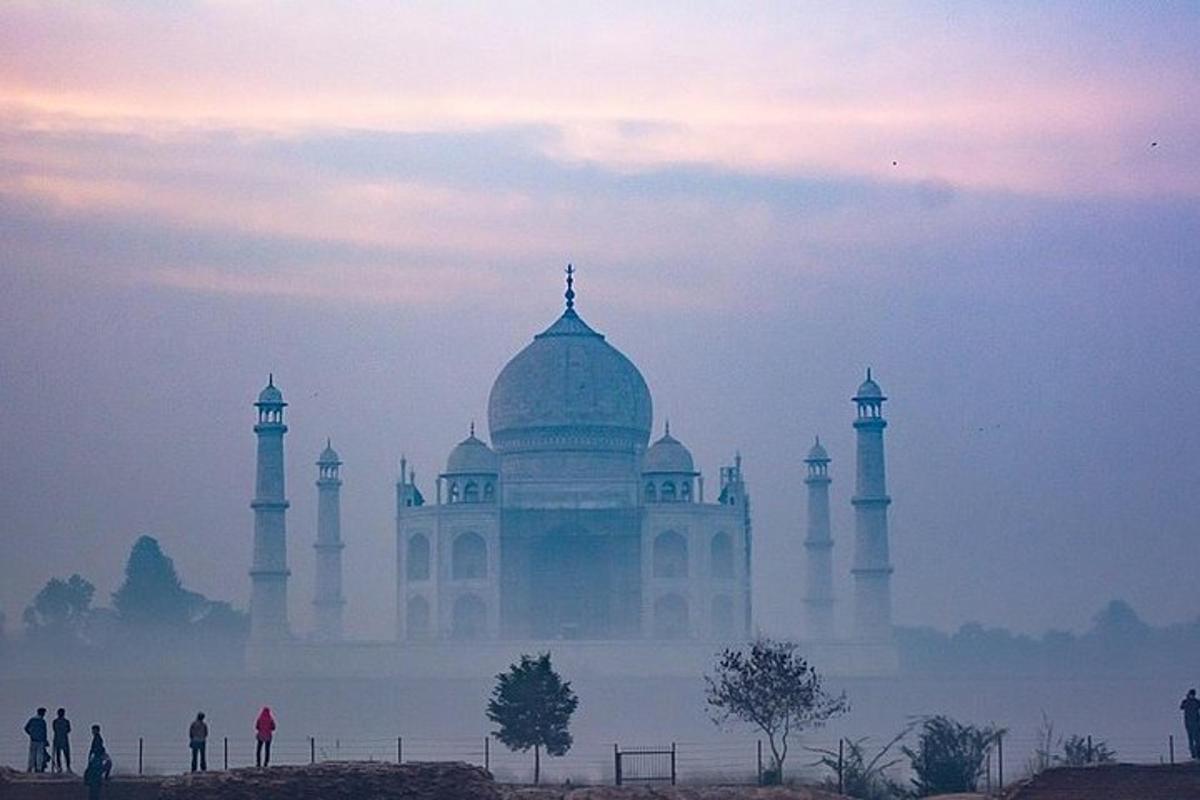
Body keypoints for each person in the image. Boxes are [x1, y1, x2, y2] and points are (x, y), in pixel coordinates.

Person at [24, 707, 48, 772]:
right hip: (40, 740)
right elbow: (44, 732)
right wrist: (45, 740)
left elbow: (26, 728)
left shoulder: (32, 720)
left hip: (33, 739)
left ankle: (30, 767)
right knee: (39, 755)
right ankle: (38, 768)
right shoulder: (42, 721)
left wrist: (31, 734)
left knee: (32, 754)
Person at [52, 707, 72, 773]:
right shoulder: (65, 721)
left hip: (59, 739)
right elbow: (68, 730)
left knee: (61, 755)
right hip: (62, 739)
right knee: (63, 755)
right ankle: (65, 767)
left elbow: (54, 729)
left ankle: (62, 767)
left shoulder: (56, 721)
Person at [1182, 689, 1200, 759]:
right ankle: (1195, 754)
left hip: (1194, 724)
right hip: (1191, 724)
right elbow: (1182, 706)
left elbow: (1182, 706)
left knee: (1196, 740)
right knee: (1193, 740)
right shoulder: (1192, 702)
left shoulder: (1192, 702)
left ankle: (1196, 754)